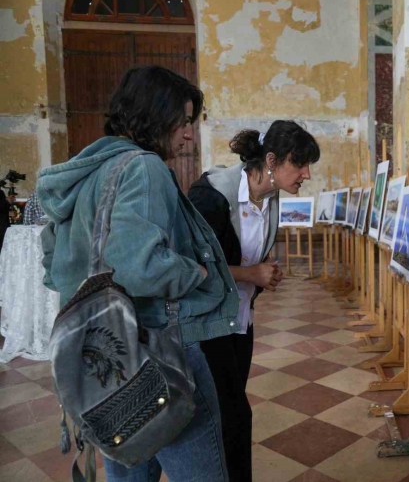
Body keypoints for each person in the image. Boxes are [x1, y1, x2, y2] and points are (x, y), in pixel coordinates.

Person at [37, 65, 237, 482]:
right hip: (160, 346)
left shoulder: (90, 169)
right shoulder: (144, 168)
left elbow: (52, 259)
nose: (188, 134)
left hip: (104, 354)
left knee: (129, 470)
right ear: (155, 114)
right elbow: (140, 266)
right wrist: (194, 271)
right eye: (183, 122)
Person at [188, 120, 320, 482]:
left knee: (230, 412)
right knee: (231, 416)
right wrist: (251, 274)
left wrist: (262, 274)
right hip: (206, 324)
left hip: (240, 320)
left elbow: (248, 257)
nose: (307, 174)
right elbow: (190, 268)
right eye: (301, 164)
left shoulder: (270, 199)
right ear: (272, 160)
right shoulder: (211, 196)